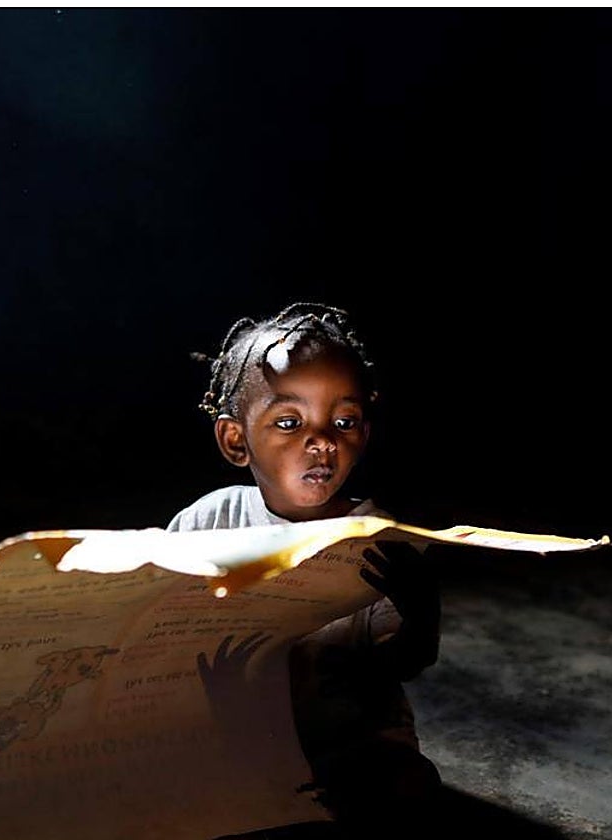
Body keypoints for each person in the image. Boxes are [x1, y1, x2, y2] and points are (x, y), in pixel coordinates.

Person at [167, 301, 444, 838]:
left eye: (344, 421)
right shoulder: (207, 522)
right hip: (233, 732)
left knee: (406, 787)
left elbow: (404, 664)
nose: (323, 442)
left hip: (348, 739)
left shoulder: (375, 537)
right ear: (236, 440)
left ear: (364, 433)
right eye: (290, 422)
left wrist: (420, 616)